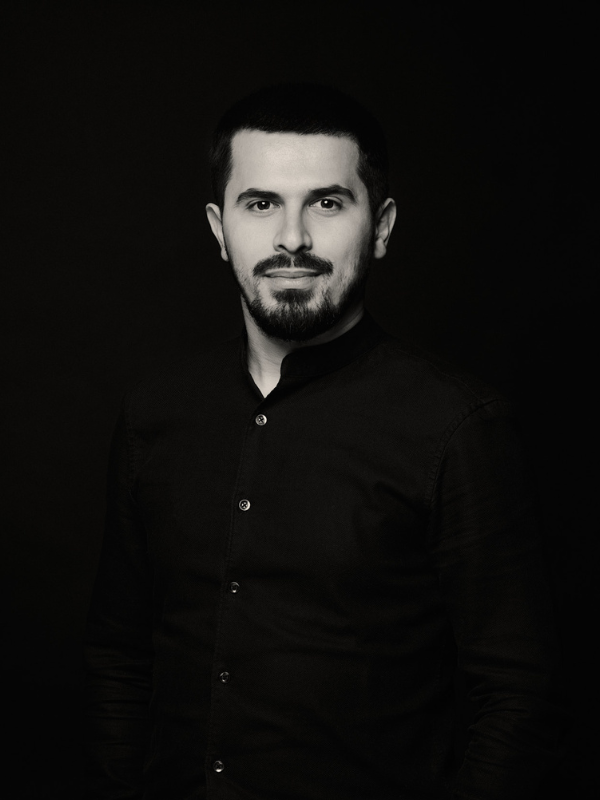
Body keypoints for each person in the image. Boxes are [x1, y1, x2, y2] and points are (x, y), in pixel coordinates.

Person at [83, 83, 562, 800]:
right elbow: (119, 659)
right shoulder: (157, 415)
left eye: (327, 203)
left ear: (382, 227)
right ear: (219, 229)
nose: (292, 239)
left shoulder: (459, 427)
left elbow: (519, 698)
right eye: (260, 203)